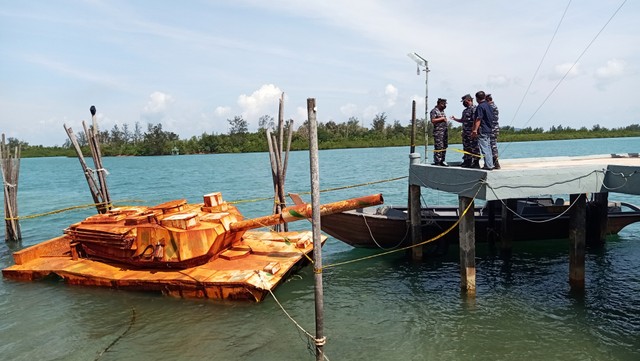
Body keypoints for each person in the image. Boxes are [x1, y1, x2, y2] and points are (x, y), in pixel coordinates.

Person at [450, 94, 479, 168]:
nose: (463, 103)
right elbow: (463, 120)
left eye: (464, 101)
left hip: (472, 132)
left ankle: (476, 162)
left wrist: (474, 131)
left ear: (469, 100)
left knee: (474, 147)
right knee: (466, 147)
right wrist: (455, 119)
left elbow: (475, 121)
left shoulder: (474, 109)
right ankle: (467, 161)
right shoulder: (465, 111)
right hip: (465, 132)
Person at [471, 91, 495, 170]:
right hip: (489, 129)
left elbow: (479, 119)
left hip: (482, 130)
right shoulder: (489, 106)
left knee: (484, 148)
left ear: (477, 98)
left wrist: (475, 130)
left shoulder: (480, 106)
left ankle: (488, 165)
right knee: (488, 148)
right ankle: (490, 164)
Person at [430, 98, 449, 166]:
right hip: (438, 132)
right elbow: (433, 120)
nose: (444, 105)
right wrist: (442, 118)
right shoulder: (434, 111)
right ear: (439, 103)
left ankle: (442, 160)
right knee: (439, 146)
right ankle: (437, 161)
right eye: (443, 104)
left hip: (444, 132)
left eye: (445, 104)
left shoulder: (442, 111)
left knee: (444, 146)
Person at [486, 94, 500, 169]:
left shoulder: (491, 107)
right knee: (492, 145)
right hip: (493, 128)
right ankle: (494, 162)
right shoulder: (493, 106)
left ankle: (495, 162)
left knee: (492, 145)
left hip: (491, 129)